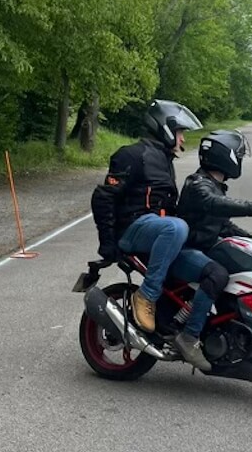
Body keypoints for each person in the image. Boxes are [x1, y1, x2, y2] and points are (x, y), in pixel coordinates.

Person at [170, 129, 252, 371]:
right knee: (218, 275)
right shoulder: (198, 184)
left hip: (203, 249)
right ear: (225, 156)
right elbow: (213, 204)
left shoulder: (214, 185)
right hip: (185, 251)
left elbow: (224, 226)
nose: (240, 160)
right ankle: (189, 337)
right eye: (237, 155)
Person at [91, 99, 203, 335]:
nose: (183, 139)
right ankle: (146, 295)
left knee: (209, 264)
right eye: (180, 132)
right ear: (165, 128)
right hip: (134, 230)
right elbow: (104, 197)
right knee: (175, 228)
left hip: (157, 231)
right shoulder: (132, 155)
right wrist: (108, 242)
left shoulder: (164, 160)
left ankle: (183, 327)